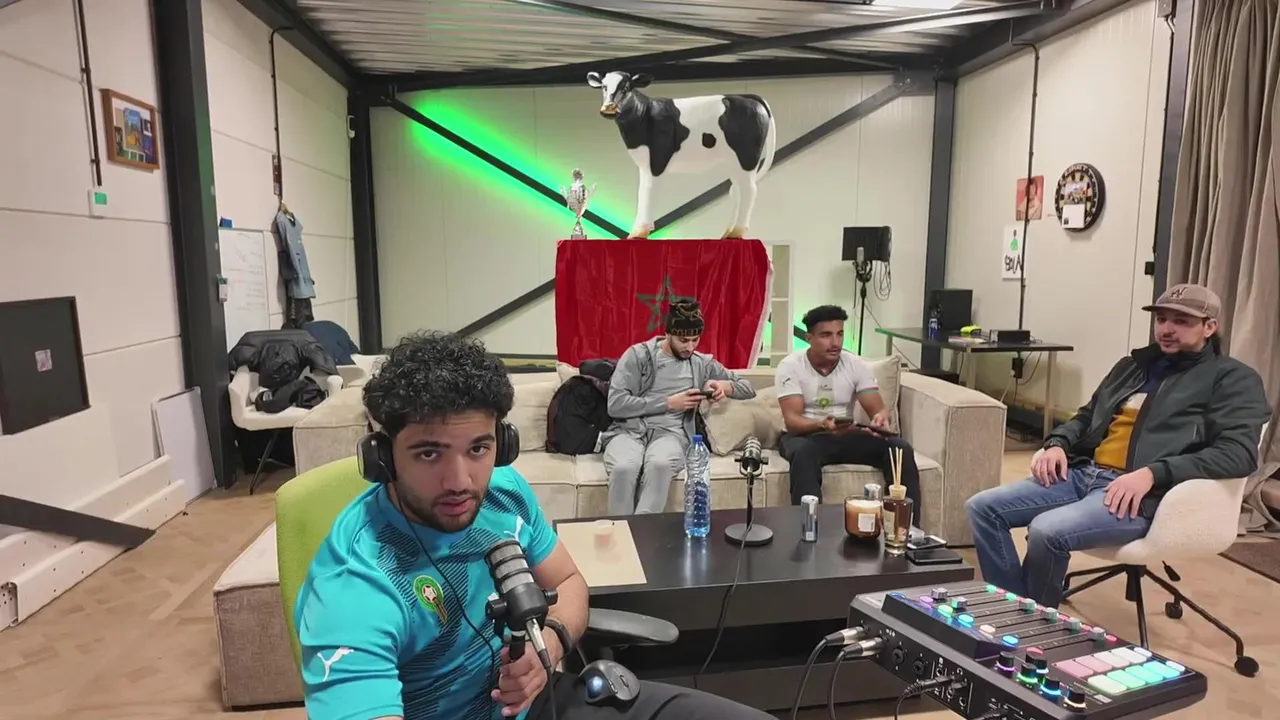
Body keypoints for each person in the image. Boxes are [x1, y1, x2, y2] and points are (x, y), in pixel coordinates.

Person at [295, 331, 773, 720]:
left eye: (478, 449)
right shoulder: (354, 584)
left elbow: (568, 581)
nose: (461, 481)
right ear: (381, 456)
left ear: (501, 444)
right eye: (428, 453)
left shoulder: (504, 491)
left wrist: (552, 643)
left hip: (541, 701)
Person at [966, 284, 1270, 608]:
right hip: (1084, 474)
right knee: (982, 508)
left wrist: (1153, 473)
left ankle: (1030, 623)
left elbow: (1238, 454)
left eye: (1181, 321)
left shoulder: (1232, 379)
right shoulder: (1133, 367)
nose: (1167, 329)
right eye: (1162, 319)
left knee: (1046, 530)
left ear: (1209, 327)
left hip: (1142, 494)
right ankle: (1014, 609)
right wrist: (1057, 443)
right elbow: (1087, 416)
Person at [602, 300, 756, 515]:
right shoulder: (638, 356)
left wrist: (724, 386)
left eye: (695, 340)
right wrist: (668, 403)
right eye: (683, 340)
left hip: (671, 434)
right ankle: (619, 531)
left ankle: (643, 531)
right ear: (668, 334)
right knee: (624, 468)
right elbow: (616, 404)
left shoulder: (702, 363)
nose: (690, 347)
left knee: (659, 465)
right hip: (628, 432)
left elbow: (748, 388)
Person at [775, 305, 922, 518]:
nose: (835, 343)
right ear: (809, 338)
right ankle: (809, 528)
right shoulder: (791, 366)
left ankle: (906, 527)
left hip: (845, 433)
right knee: (803, 453)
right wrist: (822, 424)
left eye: (839, 334)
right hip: (805, 435)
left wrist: (880, 417)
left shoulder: (854, 364)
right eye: (826, 335)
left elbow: (877, 409)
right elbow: (792, 422)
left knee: (899, 448)